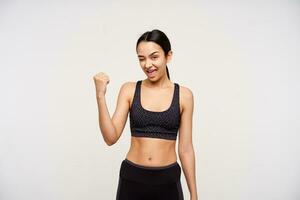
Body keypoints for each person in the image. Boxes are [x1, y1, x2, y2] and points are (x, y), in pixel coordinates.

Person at [93, 29, 198, 200]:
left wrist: (194, 194)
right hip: (132, 179)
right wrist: (100, 96)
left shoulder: (184, 96)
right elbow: (110, 138)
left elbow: (185, 149)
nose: (147, 64)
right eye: (141, 59)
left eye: (154, 57)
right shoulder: (129, 90)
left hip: (168, 180)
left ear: (168, 56)